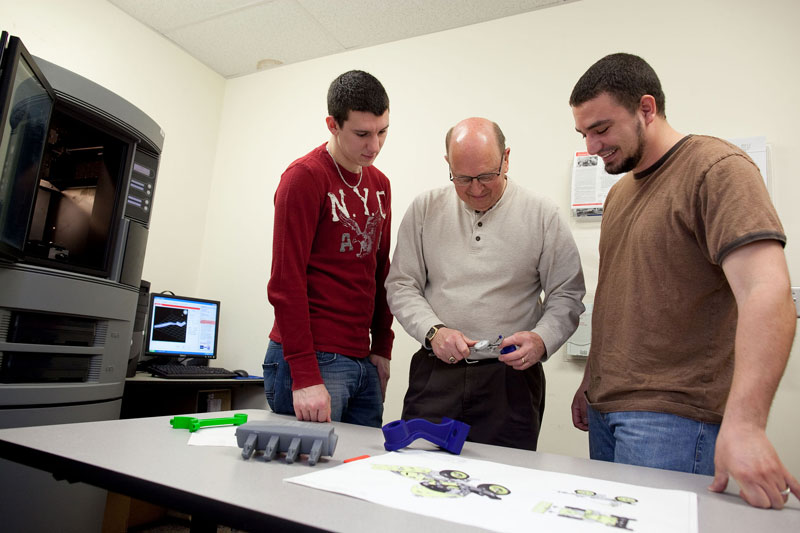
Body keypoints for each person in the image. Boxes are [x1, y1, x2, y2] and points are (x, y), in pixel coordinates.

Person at [569, 53, 799, 509]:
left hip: (673, 417)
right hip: (606, 410)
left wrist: (747, 424)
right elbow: (622, 297)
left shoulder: (716, 169)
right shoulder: (619, 194)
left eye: (602, 129)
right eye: (583, 134)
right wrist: (591, 379)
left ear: (646, 109)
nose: (592, 147)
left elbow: (767, 291)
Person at [385, 117, 585, 450]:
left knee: (504, 480)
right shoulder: (424, 209)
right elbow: (402, 285)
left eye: (487, 176)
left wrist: (541, 339)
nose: (476, 189)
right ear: (448, 164)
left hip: (511, 378)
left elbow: (566, 293)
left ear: (506, 159)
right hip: (437, 372)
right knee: (418, 475)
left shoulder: (542, 215)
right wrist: (433, 331)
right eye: (462, 178)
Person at [263, 70, 393, 427]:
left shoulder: (381, 185)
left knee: (359, 473)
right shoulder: (304, 177)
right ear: (333, 125)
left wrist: (382, 347)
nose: (374, 146)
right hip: (312, 358)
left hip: (362, 357)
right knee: (303, 478)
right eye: (362, 134)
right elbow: (285, 283)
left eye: (382, 131)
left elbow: (381, 270)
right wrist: (304, 375)